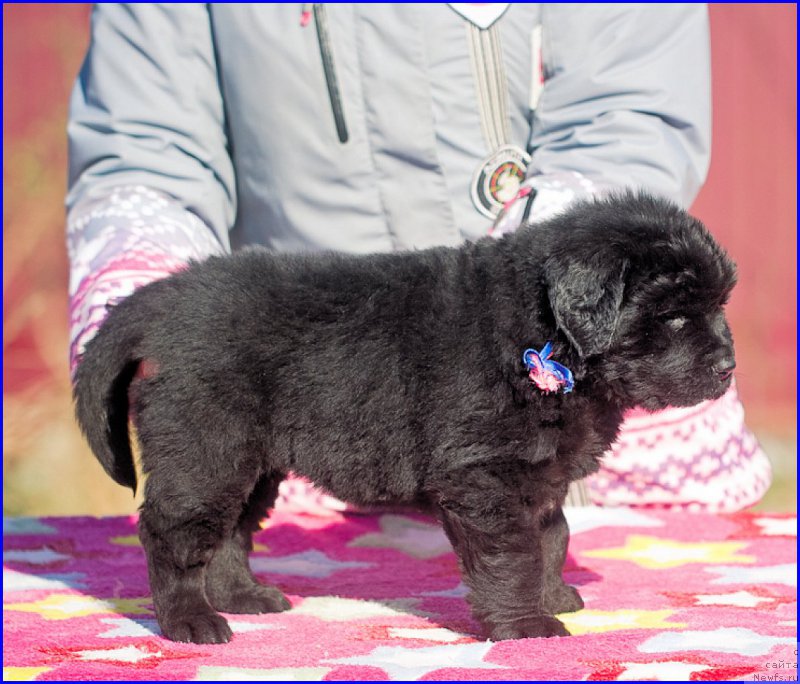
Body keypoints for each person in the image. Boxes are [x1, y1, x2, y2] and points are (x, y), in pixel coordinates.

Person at [67, 3, 771, 513]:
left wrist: (564, 308)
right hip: (313, 406)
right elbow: (145, 144)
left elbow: (629, 114)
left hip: (568, 413)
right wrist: (149, 307)